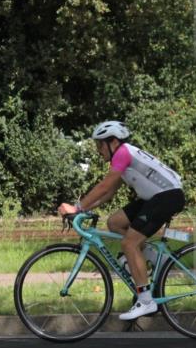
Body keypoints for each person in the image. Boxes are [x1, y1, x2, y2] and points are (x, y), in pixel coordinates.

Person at [57, 121, 185, 320]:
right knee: (115, 222)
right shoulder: (123, 156)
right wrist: (83, 210)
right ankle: (148, 256)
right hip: (155, 198)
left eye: (100, 145)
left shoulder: (124, 153)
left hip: (167, 196)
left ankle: (145, 300)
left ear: (113, 142)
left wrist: (76, 208)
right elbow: (107, 193)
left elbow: (104, 186)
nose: (98, 150)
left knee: (129, 243)